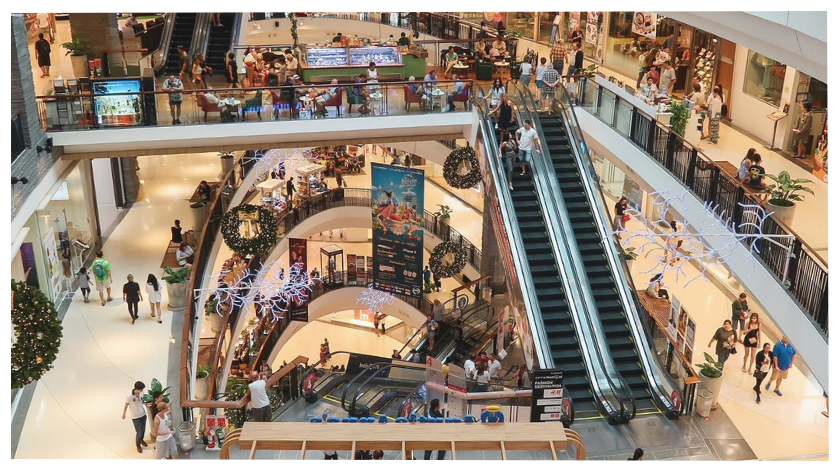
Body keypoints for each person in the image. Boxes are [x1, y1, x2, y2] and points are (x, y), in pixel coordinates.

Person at [122, 381, 148, 454]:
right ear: (136, 389)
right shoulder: (129, 396)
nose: (142, 391)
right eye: (141, 389)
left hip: (143, 414)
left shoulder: (141, 393)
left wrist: (146, 404)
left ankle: (141, 440)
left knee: (143, 430)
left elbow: (142, 401)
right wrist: (124, 414)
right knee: (139, 432)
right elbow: (126, 405)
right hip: (135, 417)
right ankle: (138, 444)